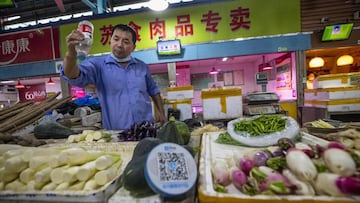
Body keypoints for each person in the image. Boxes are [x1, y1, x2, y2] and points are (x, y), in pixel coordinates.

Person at [60, 24, 166, 130]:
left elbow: (153, 90)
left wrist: (161, 113)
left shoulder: (142, 67)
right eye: (116, 39)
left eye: (126, 42)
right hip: (117, 134)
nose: (119, 44)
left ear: (133, 47)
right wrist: (71, 51)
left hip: (146, 130)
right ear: (110, 41)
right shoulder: (98, 66)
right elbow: (72, 75)